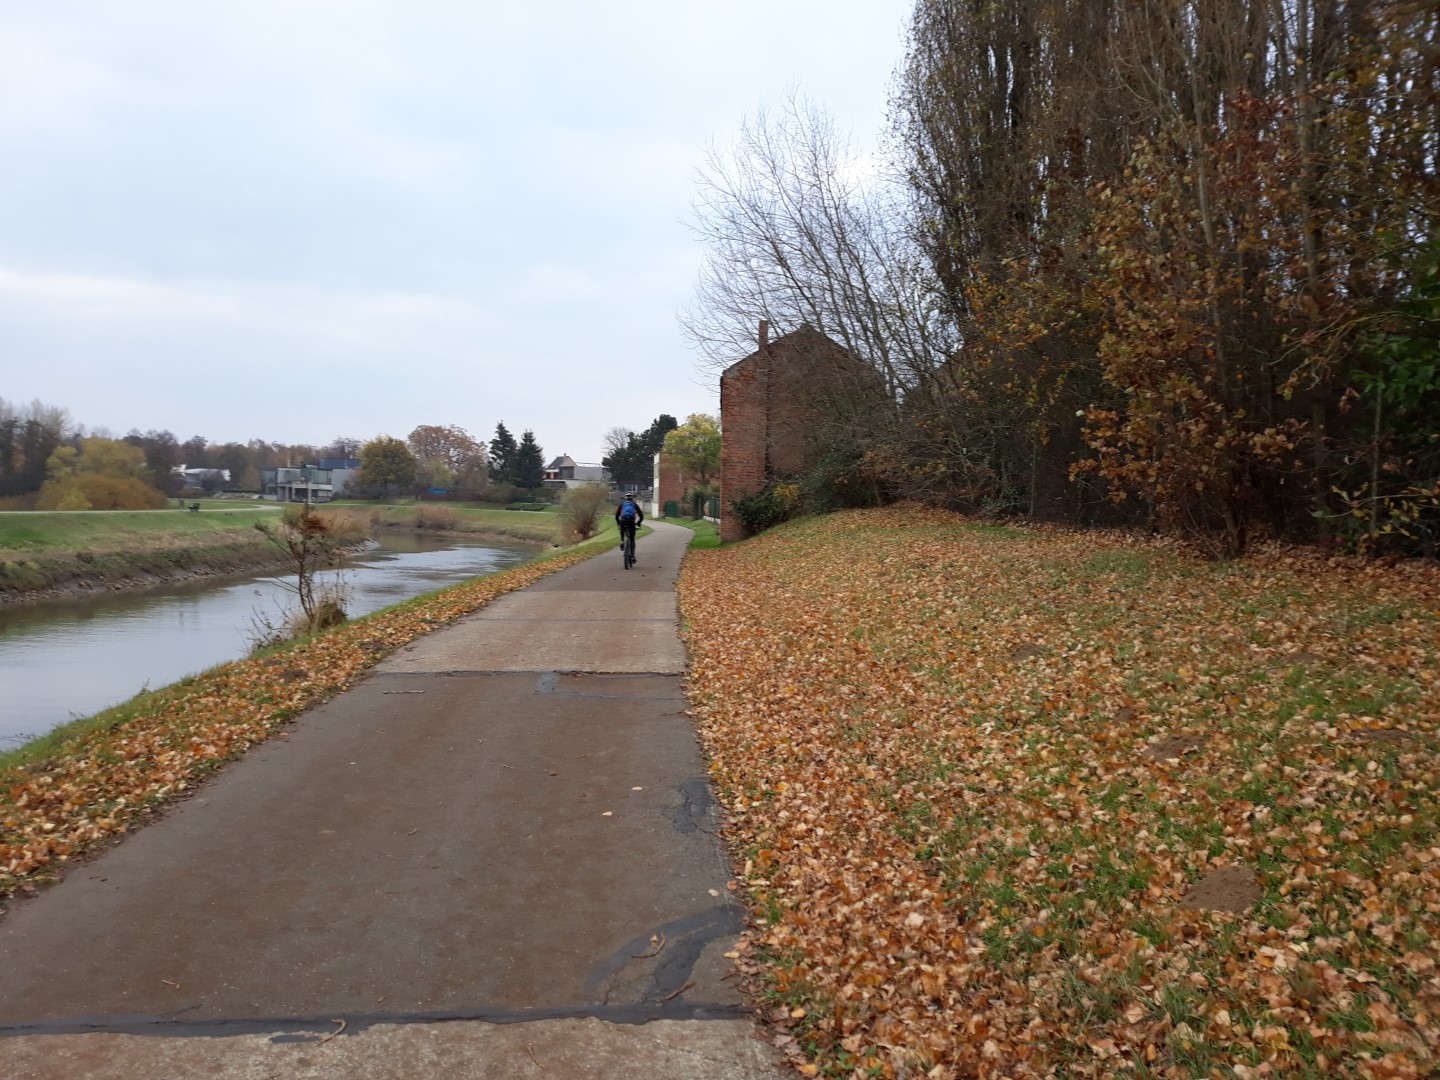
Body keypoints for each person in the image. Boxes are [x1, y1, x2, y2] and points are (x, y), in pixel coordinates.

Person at [615, 493, 643, 557]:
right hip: (631, 522)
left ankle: (622, 541)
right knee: (632, 539)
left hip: (623, 522)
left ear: (626, 498)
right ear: (632, 498)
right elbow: (641, 516)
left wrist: (618, 524)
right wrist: (638, 523)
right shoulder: (635, 505)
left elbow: (616, 516)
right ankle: (632, 555)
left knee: (622, 530)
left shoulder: (622, 505)